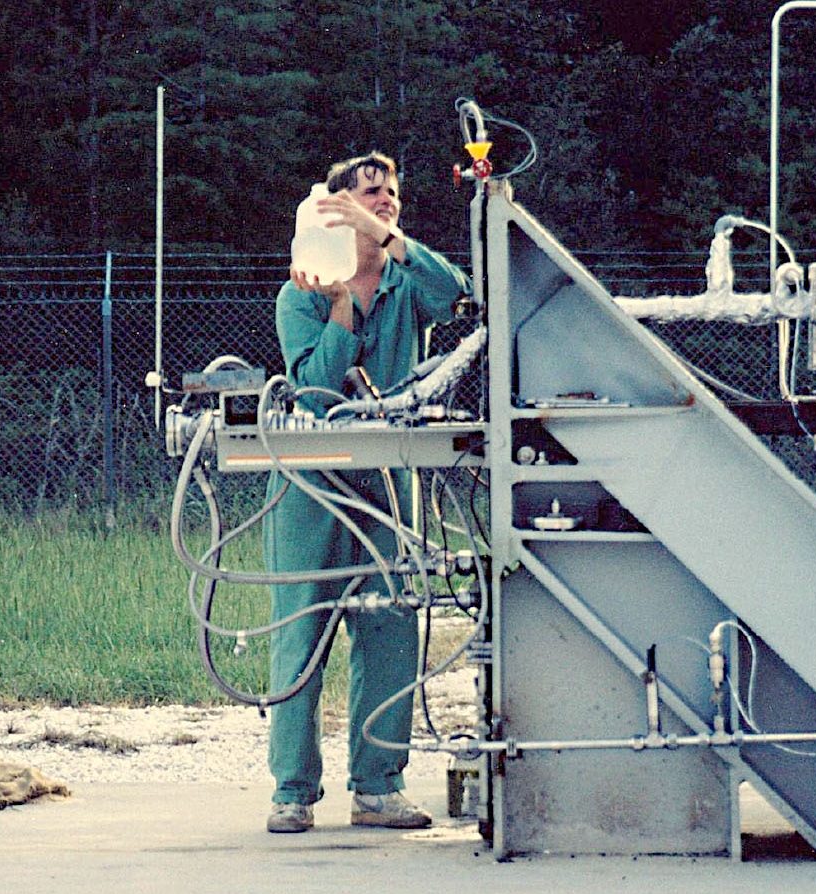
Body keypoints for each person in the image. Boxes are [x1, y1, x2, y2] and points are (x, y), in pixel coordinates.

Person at [263, 152, 468, 834]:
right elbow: (316, 389)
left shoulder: (408, 281)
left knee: (389, 630)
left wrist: (388, 246)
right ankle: (292, 790)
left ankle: (378, 785)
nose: (385, 201)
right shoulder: (302, 292)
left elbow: (456, 293)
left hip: (385, 480)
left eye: (391, 194)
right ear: (335, 205)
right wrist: (345, 304)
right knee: (301, 633)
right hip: (312, 484)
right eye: (370, 193)